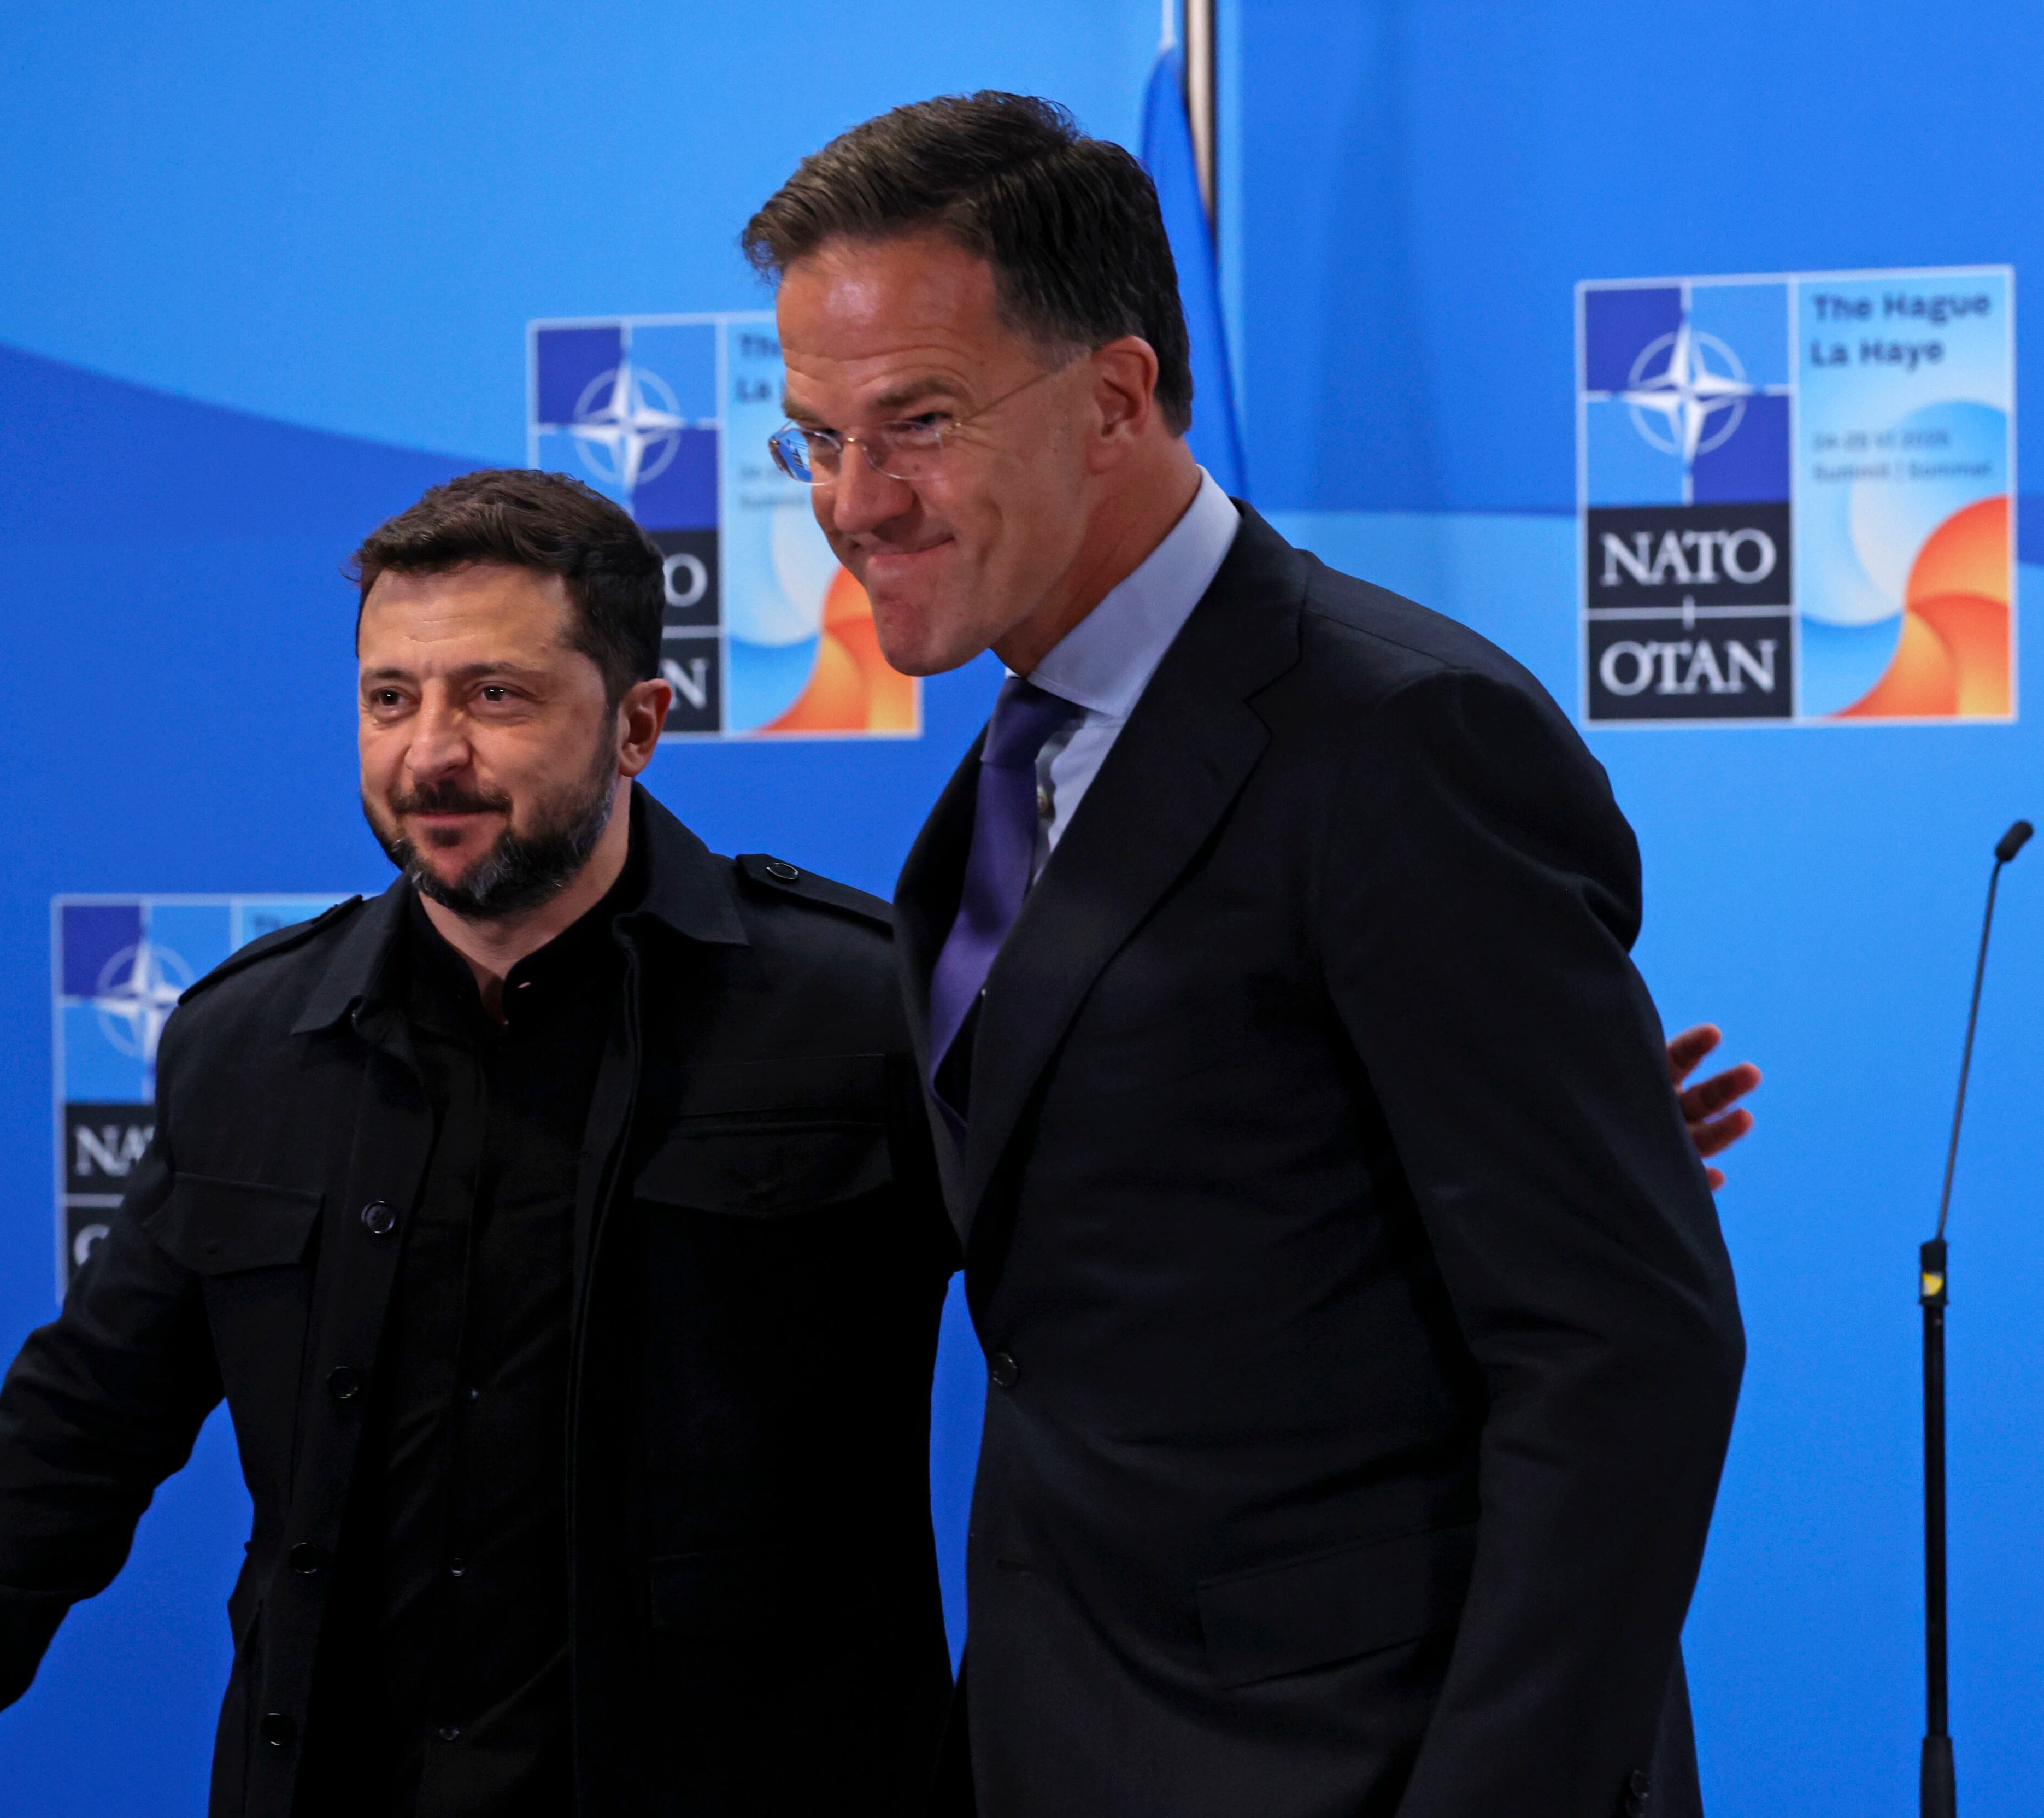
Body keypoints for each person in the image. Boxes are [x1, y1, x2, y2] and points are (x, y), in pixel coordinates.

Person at [745, 93, 1751, 1818]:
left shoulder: (1401, 736)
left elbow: (1627, 1352)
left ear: (1119, 396)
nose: (853, 502)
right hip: (1069, 1741)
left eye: (915, 422)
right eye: (812, 439)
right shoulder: (1008, 771)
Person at [0, 468, 958, 1818]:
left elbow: (1077, 1375)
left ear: (637, 724)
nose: (429, 750)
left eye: (495, 694)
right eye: (390, 697)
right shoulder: (248, 1044)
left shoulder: (868, 1011)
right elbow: (83, 1420)